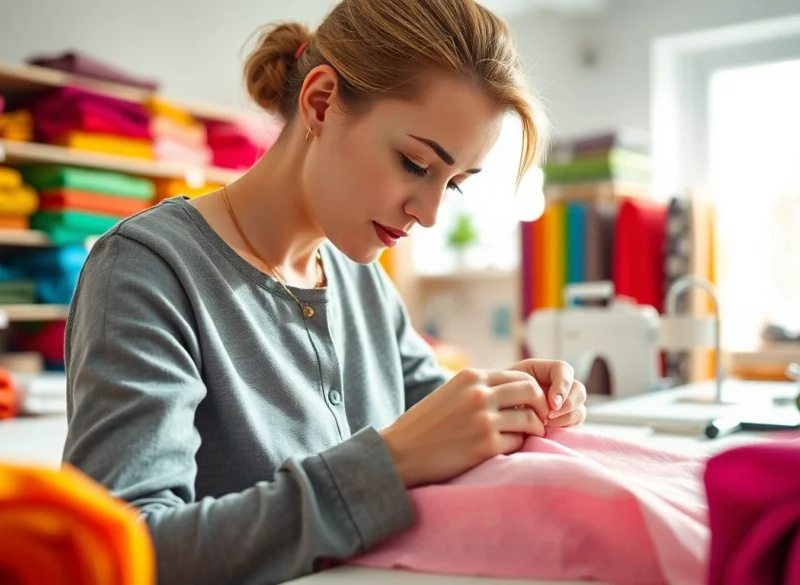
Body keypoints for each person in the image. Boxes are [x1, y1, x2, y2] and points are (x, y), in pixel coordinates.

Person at [61, 1, 588, 584]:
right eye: (415, 164)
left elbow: (435, 419)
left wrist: (509, 404)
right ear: (321, 102)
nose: (431, 214)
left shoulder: (358, 276)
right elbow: (120, 551)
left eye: (454, 185)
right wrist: (389, 464)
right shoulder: (148, 270)